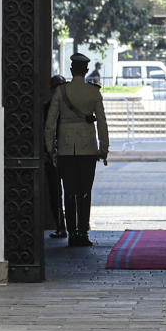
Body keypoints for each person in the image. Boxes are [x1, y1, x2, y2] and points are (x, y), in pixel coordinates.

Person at [44, 52, 109, 247]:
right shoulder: (93, 92)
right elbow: (102, 124)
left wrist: (50, 149)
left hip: (66, 149)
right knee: (85, 192)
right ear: (86, 70)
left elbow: (50, 124)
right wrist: (103, 148)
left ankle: (72, 232)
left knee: (69, 192)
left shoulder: (61, 92)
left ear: (72, 70)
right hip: (88, 148)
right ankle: (83, 231)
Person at [45, 75, 67, 239]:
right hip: (53, 154)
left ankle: (70, 226)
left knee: (69, 192)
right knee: (55, 193)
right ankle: (61, 225)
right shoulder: (46, 107)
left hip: (67, 152)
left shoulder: (67, 107)